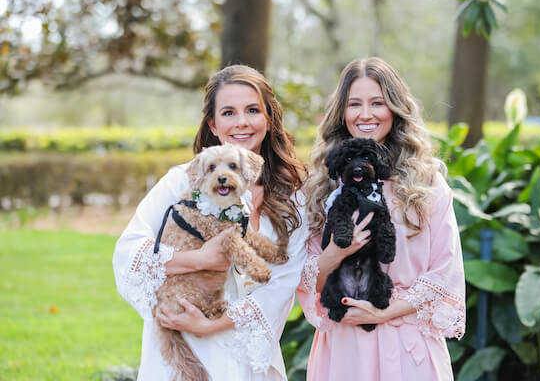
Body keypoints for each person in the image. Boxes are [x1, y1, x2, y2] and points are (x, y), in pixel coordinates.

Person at [113, 65, 309, 380]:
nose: (242, 122)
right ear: (213, 125)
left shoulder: (292, 198)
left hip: (247, 343)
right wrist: (199, 259)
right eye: (228, 112)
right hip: (186, 337)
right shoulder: (181, 182)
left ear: (268, 120)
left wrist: (213, 325)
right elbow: (129, 252)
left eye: (252, 110)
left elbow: (284, 280)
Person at [298, 57, 465, 380]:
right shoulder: (322, 187)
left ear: (395, 108)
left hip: (407, 346)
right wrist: (336, 254)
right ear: (341, 113)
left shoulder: (426, 183)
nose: (365, 114)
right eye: (354, 104)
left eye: (377, 102)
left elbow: (445, 270)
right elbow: (303, 278)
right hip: (344, 348)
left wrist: (385, 310)